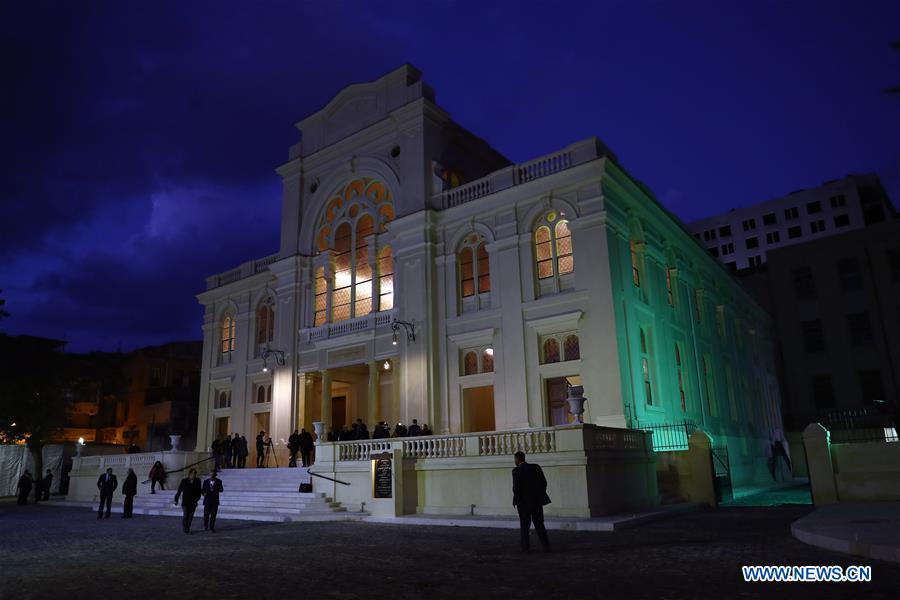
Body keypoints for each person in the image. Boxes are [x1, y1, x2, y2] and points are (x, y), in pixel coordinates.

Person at [512, 451, 550, 553]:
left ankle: (525, 548)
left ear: (517, 459)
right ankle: (546, 546)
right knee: (539, 525)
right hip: (537, 501)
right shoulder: (536, 467)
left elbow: (516, 488)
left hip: (524, 503)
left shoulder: (516, 471)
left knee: (524, 526)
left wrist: (515, 500)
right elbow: (544, 483)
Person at [174, 468, 202, 534]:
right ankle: (185, 528)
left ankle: (187, 528)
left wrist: (198, 498)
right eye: (192, 473)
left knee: (191, 516)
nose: (193, 475)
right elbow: (179, 491)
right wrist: (176, 499)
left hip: (193, 501)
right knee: (186, 515)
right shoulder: (184, 481)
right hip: (185, 501)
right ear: (189, 474)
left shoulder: (198, 481)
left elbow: (199, 491)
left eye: (194, 473)